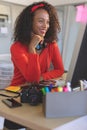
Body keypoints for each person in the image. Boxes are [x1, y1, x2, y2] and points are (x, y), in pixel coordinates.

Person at [4, 1, 64, 129]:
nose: (45, 26)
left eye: (47, 22)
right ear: (29, 23)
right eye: (40, 21)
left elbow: (59, 70)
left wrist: (43, 77)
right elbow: (32, 78)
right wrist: (32, 48)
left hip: (37, 90)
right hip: (17, 94)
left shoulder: (51, 44)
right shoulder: (17, 47)